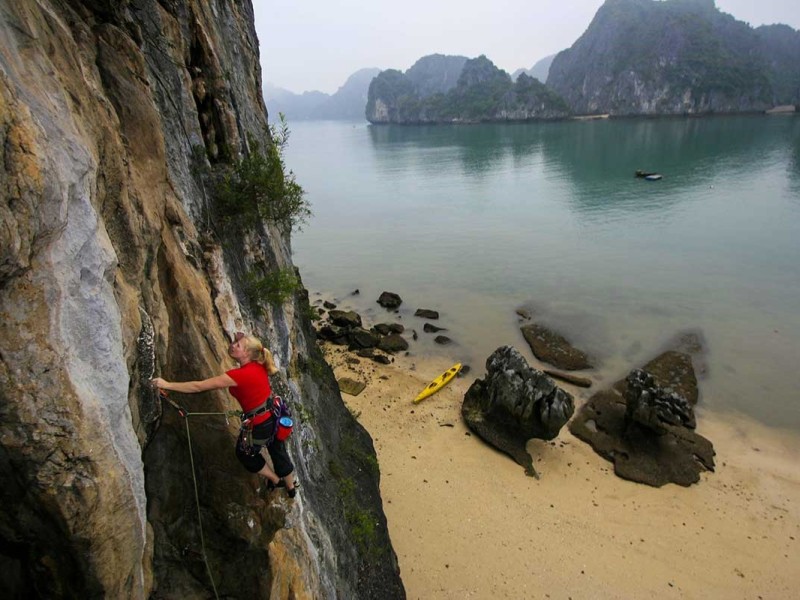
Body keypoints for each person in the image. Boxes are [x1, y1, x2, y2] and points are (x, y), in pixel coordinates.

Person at [151, 332, 298, 498]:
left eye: (238, 345)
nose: (233, 345)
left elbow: (198, 387)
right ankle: (291, 487)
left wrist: (167, 384)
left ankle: (275, 479)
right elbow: (251, 347)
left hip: (259, 425)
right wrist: (241, 338)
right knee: (277, 448)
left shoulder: (238, 376)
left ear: (247, 354)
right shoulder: (259, 364)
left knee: (244, 453)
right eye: (235, 342)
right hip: (273, 414)